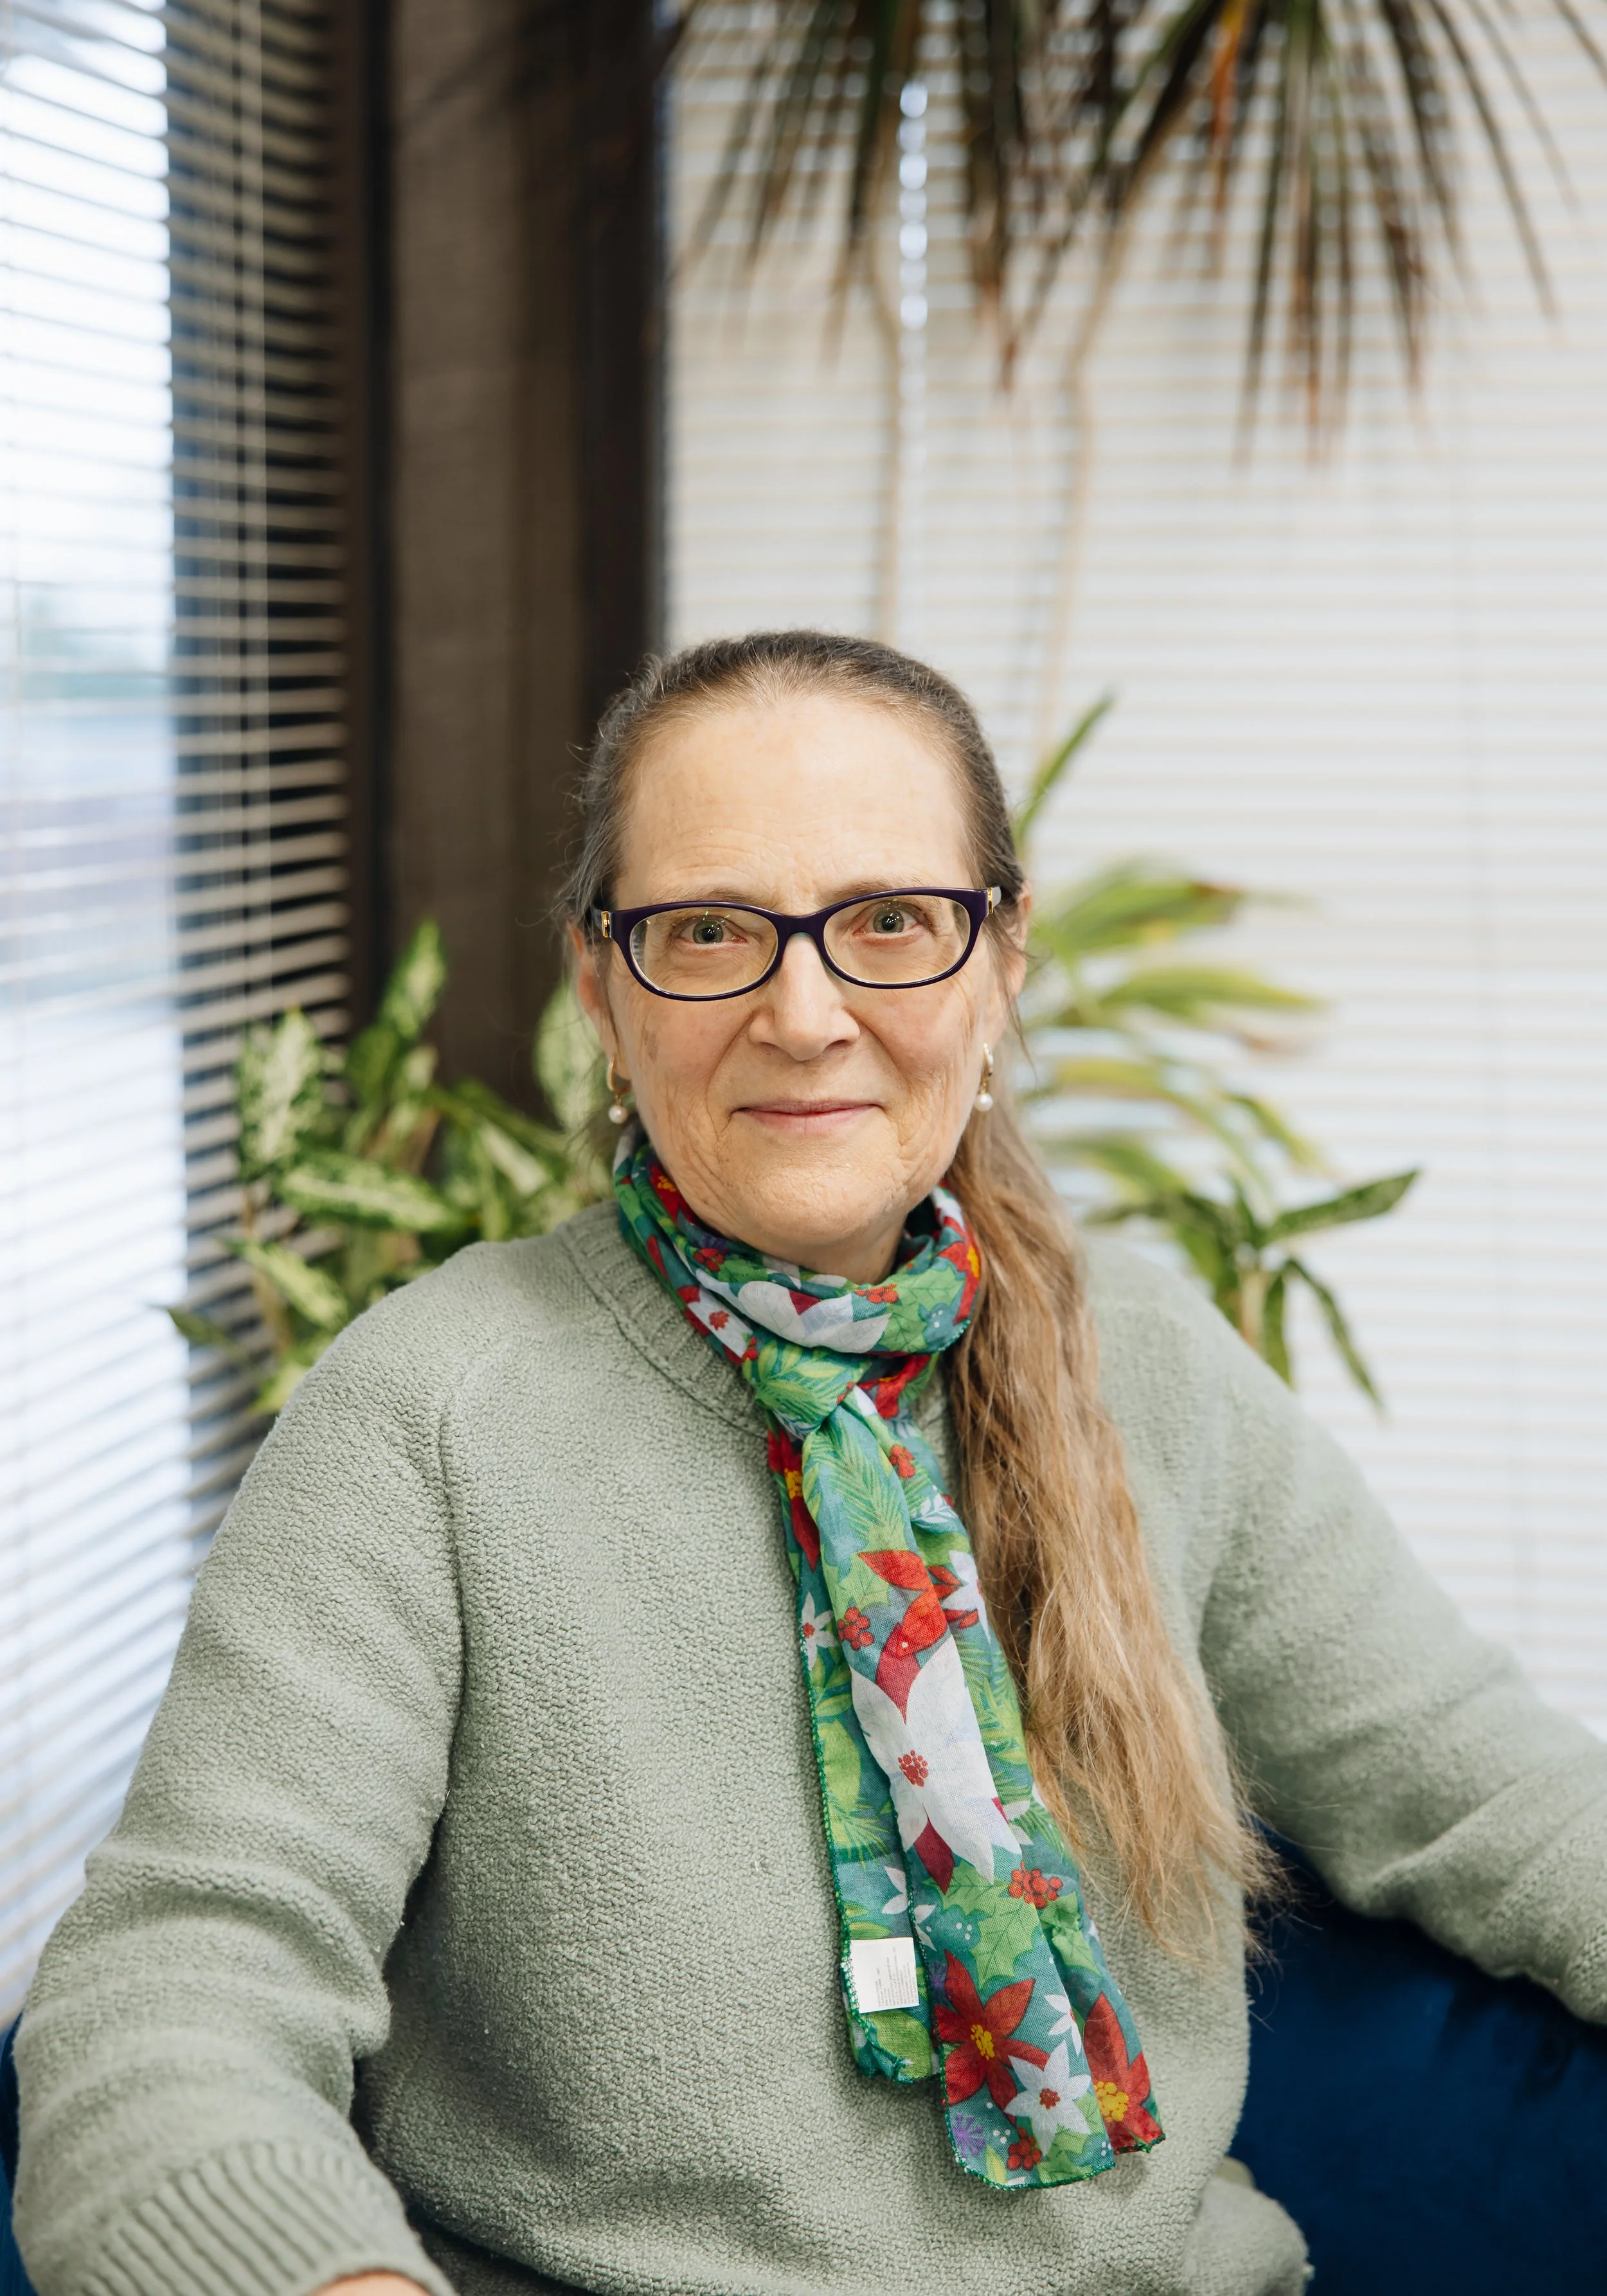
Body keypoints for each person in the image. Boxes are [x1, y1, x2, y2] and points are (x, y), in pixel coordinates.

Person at [13, 631, 1607, 2296]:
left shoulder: (1148, 1359)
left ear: (998, 959)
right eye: (707, 930)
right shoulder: (428, 1408)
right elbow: (182, 1979)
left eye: (887, 925)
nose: (802, 1011)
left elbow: (1482, 1790)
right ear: (601, 983)